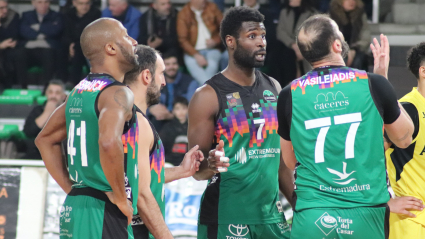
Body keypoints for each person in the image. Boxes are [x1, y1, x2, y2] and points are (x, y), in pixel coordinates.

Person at [276, 14, 414, 239]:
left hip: (312, 218)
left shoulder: (288, 94)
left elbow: (291, 161)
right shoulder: (373, 84)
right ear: (337, 44)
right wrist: (384, 81)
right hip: (365, 216)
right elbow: (404, 138)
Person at [188, 7, 293, 238]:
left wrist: (300, 206)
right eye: (252, 36)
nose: (261, 43)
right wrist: (211, 165)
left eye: (263, 36)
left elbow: (282, 163)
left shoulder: (274, 87)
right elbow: (197, 171)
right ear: (230, 41)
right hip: (226, 217)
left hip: (272, 217)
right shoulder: (206, 96)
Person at [35, 18, 139, 238]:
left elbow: (44, 139)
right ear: (110, 48)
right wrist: (121, 198)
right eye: (126, 36)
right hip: (103, 208)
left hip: (76, 205)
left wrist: (72, 189)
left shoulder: (78, 91)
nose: (134, 41)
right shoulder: (117, 92)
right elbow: (109, 142)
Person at [123, 44, 203, 239]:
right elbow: (141, 194)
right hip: (134, 228)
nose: (164, 82)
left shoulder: (124, 115)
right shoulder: (136, 122)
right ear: (147, 76)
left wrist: (181, 171)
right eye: (161, 74)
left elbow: (136, 178)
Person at [385, 42, 425, 239]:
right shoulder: (407, 110)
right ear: (423, 71)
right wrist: (383, 203)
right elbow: (365, 158)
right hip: (412, 222)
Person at [14, 0, 63, 88]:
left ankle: (46, 87)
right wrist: (43, 32)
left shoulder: (56, 15)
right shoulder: (26, 15)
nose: (43, 5)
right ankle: (22, 86)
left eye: (46, 2)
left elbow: (55, 30)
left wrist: (37, 27)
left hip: (48, 48)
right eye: (40, 2)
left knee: (49, 54)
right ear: (33, 3)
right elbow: (23, 31)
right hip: (29, 48)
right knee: (19, 54)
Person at [148, 51, 198, 130]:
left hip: (183, 120)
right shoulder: (155, 82)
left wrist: (171, 116)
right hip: (161, 119)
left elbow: (193, 109)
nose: (171, 67)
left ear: (178, 65)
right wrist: (151, 109)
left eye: (174, 64)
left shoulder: (190, 82)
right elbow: (143, 103)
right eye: (167, 64)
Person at [177, 0, 223, 85]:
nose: (203, 1)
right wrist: (196, 54)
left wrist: (215, 41)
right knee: (196, 69)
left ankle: (206, 90)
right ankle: (211, 90)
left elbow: (224, 28)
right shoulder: (184, 13)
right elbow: (182, 40)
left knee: (212, 66)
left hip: (212, 49)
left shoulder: (212, 8)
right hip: (192, 52)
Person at [276, 0, 317, 86]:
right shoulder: (284, 12)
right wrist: (293, 45)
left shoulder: (312, 14)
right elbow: (280, 32)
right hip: (287, 46)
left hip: (305, 46)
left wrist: (299, 47)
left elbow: (311, 34)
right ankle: (284, 86)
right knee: (282, 53)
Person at [22, 80, 66, 159]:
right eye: (50, 92)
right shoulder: (37, 110)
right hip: (38, 153)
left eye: (57, 93)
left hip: (62, 153)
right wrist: (46, 113)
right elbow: (28, 132)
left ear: (63, 96)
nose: (53, 96)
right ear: (46, 94)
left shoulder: (69, 112)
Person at [62, 0, 101, 85]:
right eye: (81, 3)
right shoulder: (68, 14)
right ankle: (61, 81)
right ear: (74, 3)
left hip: (89, 46)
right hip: (71, 45)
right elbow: (65, 33)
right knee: (60, 48)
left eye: (87, 3)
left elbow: (93, 35)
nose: (84, 6)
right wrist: (70, 44)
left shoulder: (96, 14)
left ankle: (73, 82)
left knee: (79, 47)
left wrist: (75, 44)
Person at [329, 0, 371, 70]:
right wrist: (344, 50)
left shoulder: (360, 15)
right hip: (337, 50)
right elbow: (329, 38)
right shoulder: (331, 16)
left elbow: (365, 37)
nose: (352, 2)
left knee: (358, 60)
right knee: (340, 61)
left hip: (357, 50)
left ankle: (358, 80)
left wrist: (354, 49)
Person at [160, 96, 189, 166]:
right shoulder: (167, 127)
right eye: (177, 109)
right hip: (170, 162)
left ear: (188, 109)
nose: (181, 112)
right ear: (173, 110)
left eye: (184, 108)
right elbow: (161, 146)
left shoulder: (192, 127)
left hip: (188, 162)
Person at [0, 0, 19, 89]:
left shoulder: (13, 15)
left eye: (6, 7)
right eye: (1, 8)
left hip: (9, 50)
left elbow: (11, 37)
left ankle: (9, 88)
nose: (5, 11)